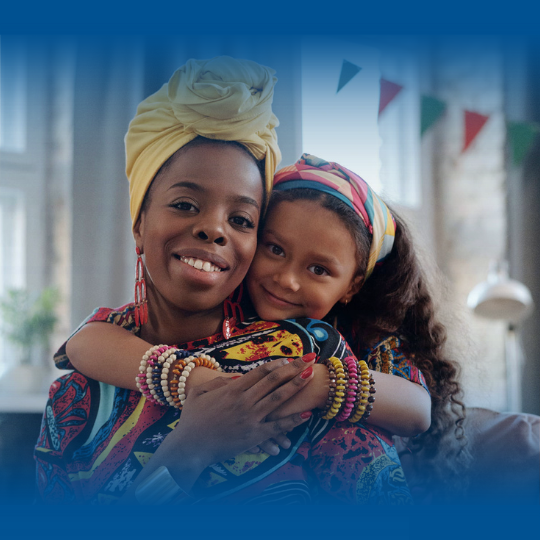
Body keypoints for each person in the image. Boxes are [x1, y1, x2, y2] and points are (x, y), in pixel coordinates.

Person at [33, 57, 443, 505]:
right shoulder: (76, 394)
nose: (215, 229)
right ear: (139, 221)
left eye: (242, 218)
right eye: (186, 204)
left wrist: (309, 386)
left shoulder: (302, 357)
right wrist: (192, 443)